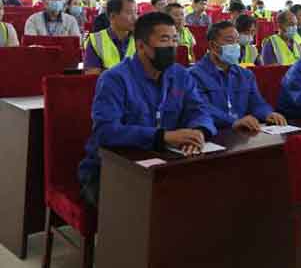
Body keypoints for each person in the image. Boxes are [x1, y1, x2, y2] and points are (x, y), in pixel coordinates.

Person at [78, 12, 218, 207]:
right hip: (111, 168)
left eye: (174, 39)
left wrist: (199, 131)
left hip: (164, 162)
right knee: (146, 206)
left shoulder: (181, 75)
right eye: (164, 40)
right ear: (141, 46)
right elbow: (105, 131)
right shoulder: (115, 79)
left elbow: (199, 110)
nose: (172, 46)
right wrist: (163, 137)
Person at [189, 21, 286, 131]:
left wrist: (268, 114)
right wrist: (233, 121)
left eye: (237, 41)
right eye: (230, 41)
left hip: (242, 132)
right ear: (212, 45)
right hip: (213, 133)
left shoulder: (245, 75)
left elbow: (257, 103)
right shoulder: (194, 75)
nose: (235, 46)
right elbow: (202, 108)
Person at [83, 0, 137, 74]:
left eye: (136, 12)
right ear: (112, 16)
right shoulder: (96, 40)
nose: (135, 18)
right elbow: (92, 72)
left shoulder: (141, 37)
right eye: (129, 13)